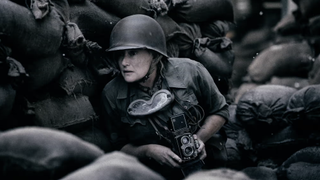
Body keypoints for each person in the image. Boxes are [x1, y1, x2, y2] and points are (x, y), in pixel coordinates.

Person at [100, 14, 229, 180]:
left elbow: (220, 110)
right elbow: (119, 146)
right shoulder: (112, 94)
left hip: (204, 167)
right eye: (119, 54)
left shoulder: (191, 71)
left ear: (155, 55)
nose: (124, 62)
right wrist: (148, 151)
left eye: (132, 53)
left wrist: (199, 139)